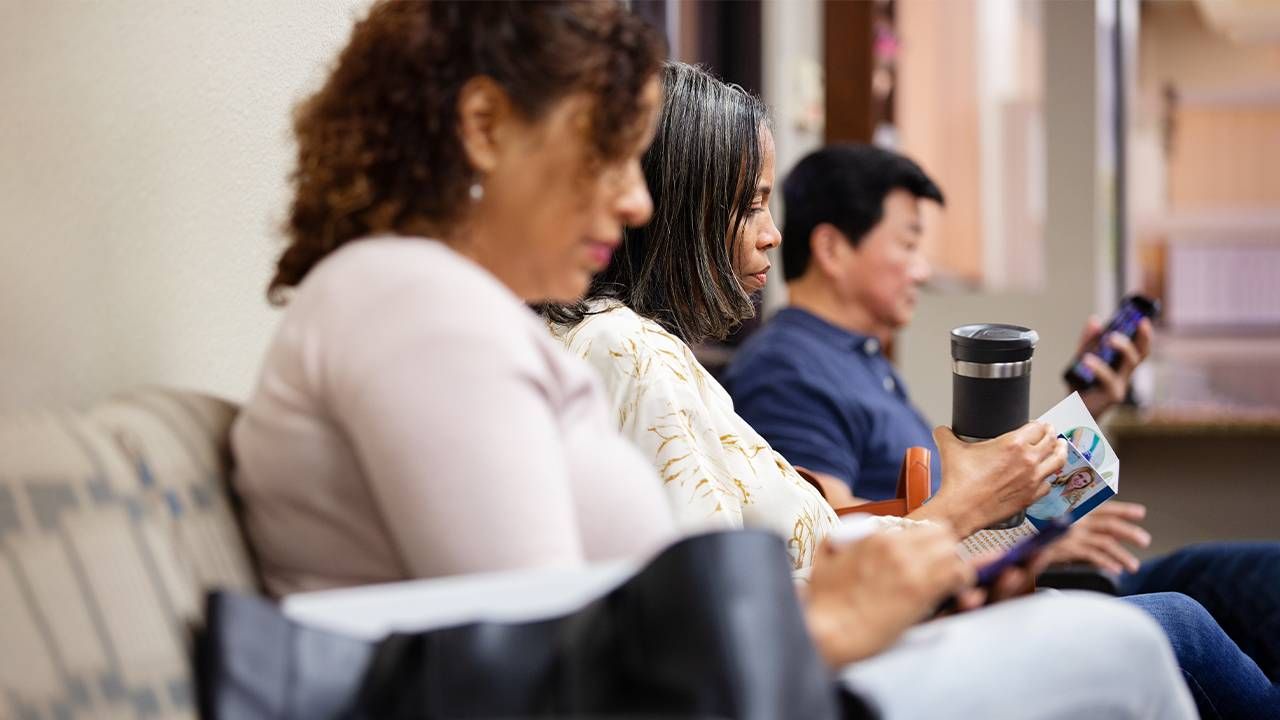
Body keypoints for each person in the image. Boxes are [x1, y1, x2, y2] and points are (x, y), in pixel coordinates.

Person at [231, 5, 1195, 717]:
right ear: (485, 129)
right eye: (607, 156)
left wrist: (913, 566)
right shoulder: (412, 304)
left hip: (720, 673)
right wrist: (836, 621)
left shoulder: (472, 321)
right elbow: (546, 672)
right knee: (1123, 648)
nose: (637, 202)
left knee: (1115, 640)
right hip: (712, 686)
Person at [724, 142, 1280, 714]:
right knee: (1187, 622)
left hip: (1007, 578)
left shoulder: (860, 358)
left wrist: (1084, 408)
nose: (922, 269)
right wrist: (1013, 543)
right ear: (833, 248)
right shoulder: (786, 370)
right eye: (909, 243)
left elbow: (958, 496)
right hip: (967, 608)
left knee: (1255, 575)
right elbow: (833, 541)